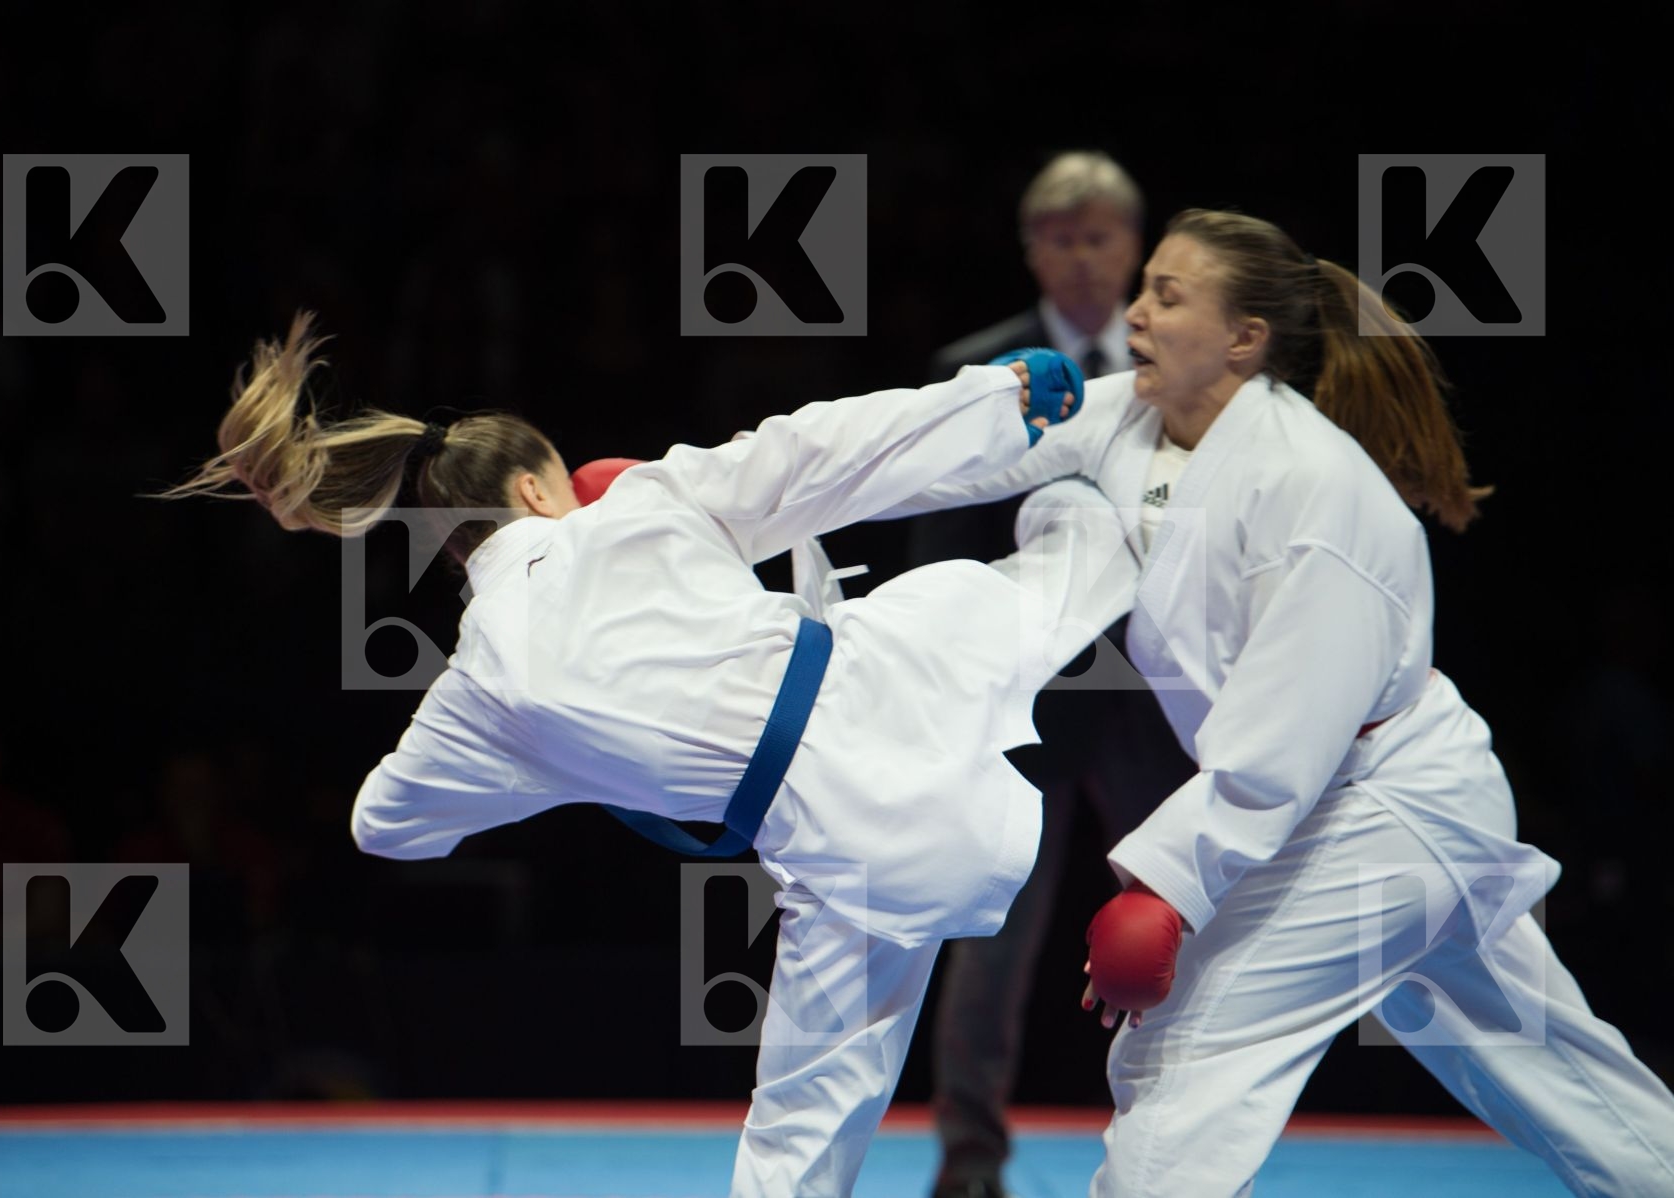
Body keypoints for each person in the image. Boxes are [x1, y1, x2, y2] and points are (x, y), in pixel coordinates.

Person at [159, 315, 1120, 1196]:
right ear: (538, 487)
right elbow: (825, 452)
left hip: (859, 859)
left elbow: (381, 827)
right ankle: (1168, 437)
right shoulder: (642, 500)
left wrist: (565, 765)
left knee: (795, 1143)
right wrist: (989, 401)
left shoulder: (478, 692)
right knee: (1085, 534)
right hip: (913, 676)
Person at [890, 209, 1674, 1196]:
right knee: (1564, 1077)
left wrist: (1166, 886)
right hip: (1369, 808)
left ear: (1243, 338)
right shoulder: (1139, 421)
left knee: (1178, 1064)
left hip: (1377, 811)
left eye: (1167, 295)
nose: (1133, 311)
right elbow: (958, 450)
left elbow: (1281, 745)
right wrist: (724, 496)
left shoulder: (1316, 491)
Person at [908, 150, 1194, 1198]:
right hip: (1018, 700)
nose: (1081, 258)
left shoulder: (1183, 367)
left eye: (1101, 238)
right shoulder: (975, 367)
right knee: (989, 943)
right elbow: (937, 546)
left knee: (1183, 924)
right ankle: (969, 1165)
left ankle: (1183, 1149)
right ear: (1032, 249)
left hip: (1154, 695)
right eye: (1061, 239)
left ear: (1134, 244)